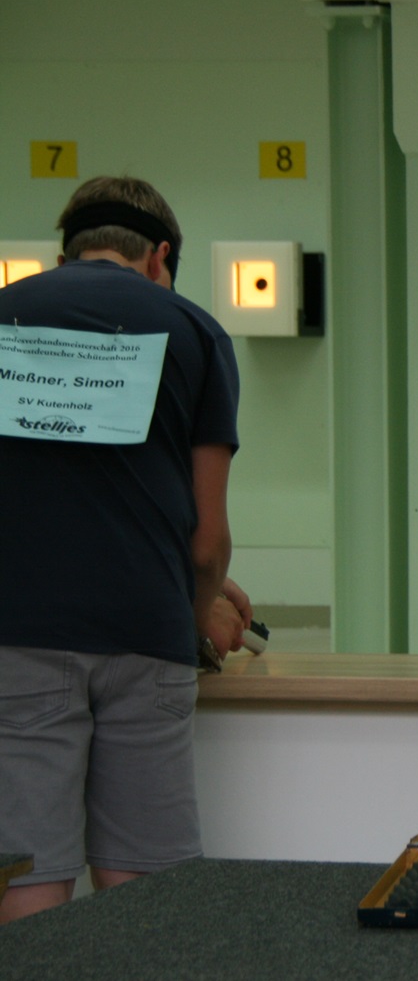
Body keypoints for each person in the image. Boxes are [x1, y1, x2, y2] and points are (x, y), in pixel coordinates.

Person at [0, 176, 243, 923]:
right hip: (147, 634)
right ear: (160, 256)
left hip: (19, 632)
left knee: (29, 875)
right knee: (148, 890)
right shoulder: (195, 331)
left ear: (64, 253)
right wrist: (195, 613)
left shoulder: (6, 314)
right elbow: (207, 542)